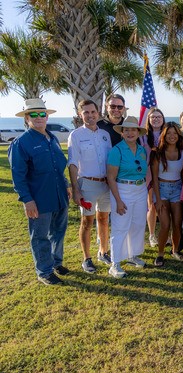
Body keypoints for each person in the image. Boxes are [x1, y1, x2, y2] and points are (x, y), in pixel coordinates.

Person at [9, 98, 70, 285]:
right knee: (40, 236)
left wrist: (66, 184)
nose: (38, 117)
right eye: (33, 114)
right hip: (39, 199)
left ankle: (56, 263)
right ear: (27, 119)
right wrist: (27, 200)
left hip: (60, 194)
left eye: (42, 114)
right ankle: (44, 271)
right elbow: (18, 176)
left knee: (58, 231)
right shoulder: (21, 143)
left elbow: (57, 167)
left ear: (47, 116)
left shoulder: (52, 139)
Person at [67, 99, 112, 273]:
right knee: (87, 221)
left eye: (93, 112)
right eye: (86, 112)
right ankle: (87, 258)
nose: (90, 115)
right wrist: (76, 189)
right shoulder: (76, 135)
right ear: (80, 115)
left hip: (105, 184)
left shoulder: (105, 135)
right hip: (87, 184)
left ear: (98, 113)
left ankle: (103, 252)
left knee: (104, 219)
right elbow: (72, 163)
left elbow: (109, 160)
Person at [107, 116, 149, 278]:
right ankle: (115, 263)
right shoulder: (116, 150)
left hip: (140, 189)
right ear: (122, 133)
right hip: (122, 190)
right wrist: (118, 200)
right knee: (120, 226)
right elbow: (110, 177)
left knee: (138, 224)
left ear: (138, 132)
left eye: (133, 129)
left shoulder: (141, 150)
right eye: (127, 130)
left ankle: (133, 256)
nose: (130, 132)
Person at [150, 122, 183, 266]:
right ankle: (160, 253)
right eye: (168, 133)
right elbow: (154, 178)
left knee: (177, 224)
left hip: (177, 189)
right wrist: (158, 199)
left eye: (174, 133)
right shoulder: (157, 152)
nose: (172, 136)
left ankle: (175, 250)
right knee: (165, 224)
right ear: (164, 135)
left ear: (179, 135)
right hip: (161, 188)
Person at [140, 107, 166, 248]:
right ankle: (151, 235)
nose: (156, 119)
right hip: (149, 174)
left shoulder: (167, 134)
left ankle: (165, 233)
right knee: (152, 205)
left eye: (159, 117)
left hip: (166, 173)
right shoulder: (143, 136)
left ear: (163, 119)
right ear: (148, 120)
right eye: (153, 117)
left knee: (165, 205)